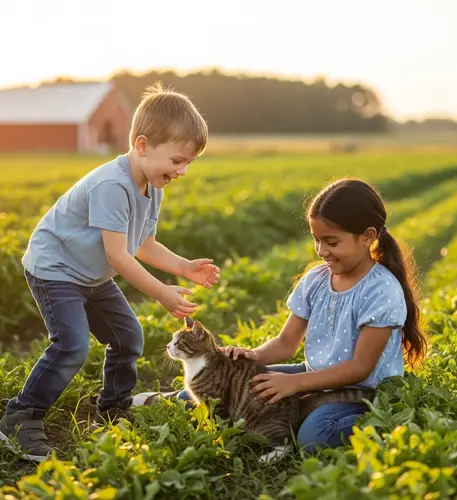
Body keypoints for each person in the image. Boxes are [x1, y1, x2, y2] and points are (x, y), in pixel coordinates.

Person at [0, 82, 220, 462]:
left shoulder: (153, 184)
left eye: (189, 163)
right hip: (57, 269)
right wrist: (161, 293)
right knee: (71, 344)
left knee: (128, 337)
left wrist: (184, 268)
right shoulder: (111, 186)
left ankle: (113, 405)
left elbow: (143, 243)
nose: (182, 170)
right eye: (177, 160)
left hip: (91, 274)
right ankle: (21, 416)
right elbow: (119, 257)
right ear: (142, 145)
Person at [145, 178, 427, 454]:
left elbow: (360, 368)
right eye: (317, 240)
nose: (322, 251)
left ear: (368, 237)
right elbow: (285, 343)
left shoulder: (381, 290)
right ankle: (163, 400)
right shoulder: (317, 279)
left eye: (332, 242)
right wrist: (249, 357)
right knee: (220, 386)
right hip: (312, 375)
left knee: (315, 438)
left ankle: (380, 419)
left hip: (361, 390)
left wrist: (295, 384)